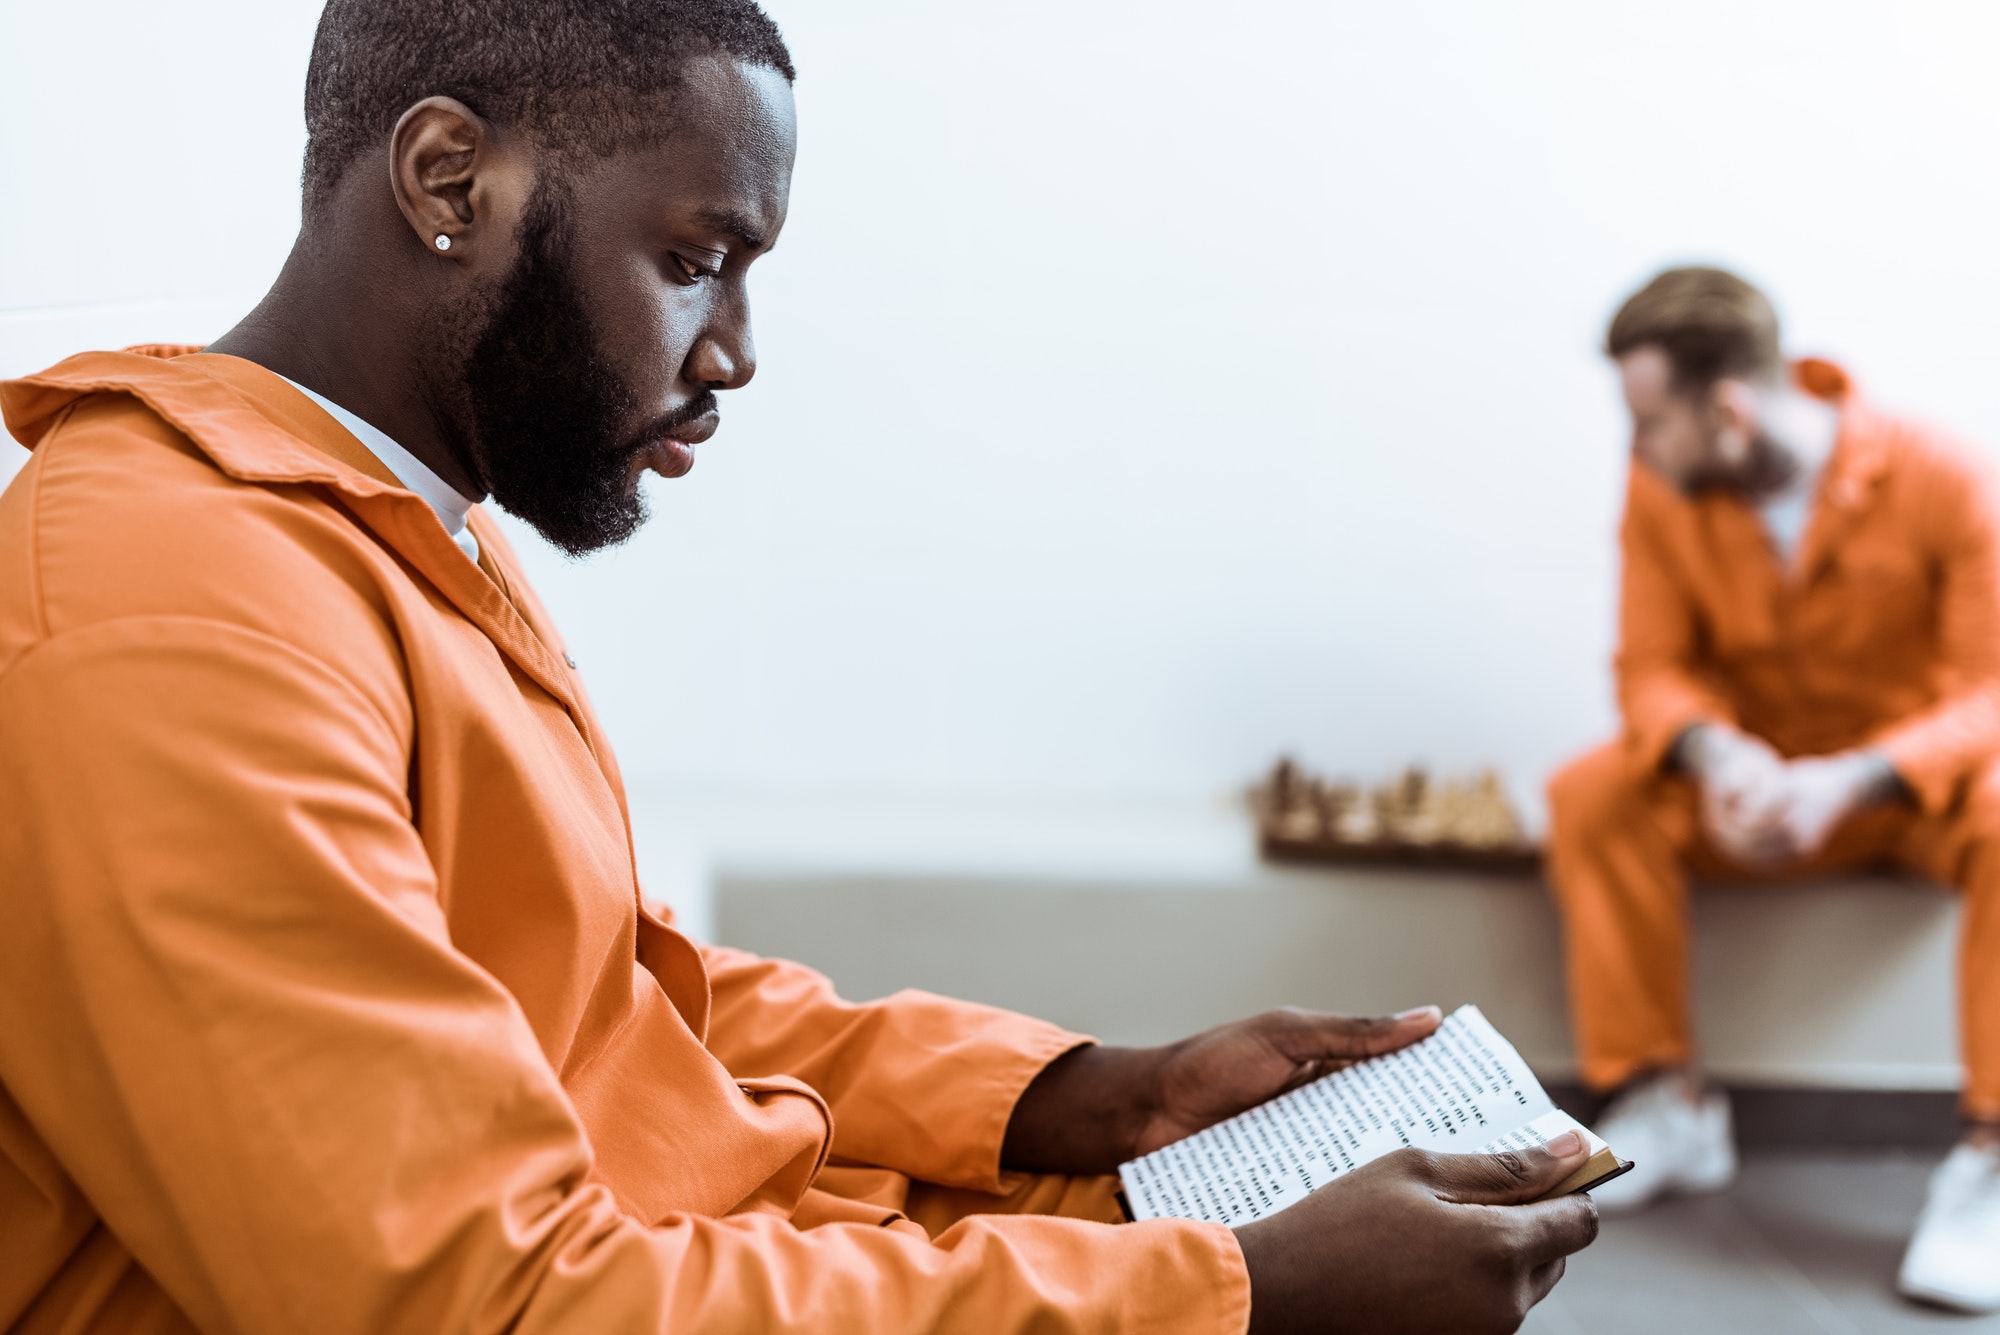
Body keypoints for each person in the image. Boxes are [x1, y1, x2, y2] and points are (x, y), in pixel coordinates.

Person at [0, 3, 1599, 1331]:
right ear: (447, 177)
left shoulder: (373, 527)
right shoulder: (174, 605)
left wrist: (1097, 1097)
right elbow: (466, 1295)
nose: (735, 350)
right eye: (697, 257)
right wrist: (1234, 1292)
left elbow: (624, 991)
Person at [1546, 265, 2000, 1311]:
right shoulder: (1660, 490)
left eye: (1647, 421)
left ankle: (1989, 1158)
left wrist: (1852, 779)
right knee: (1592, 792)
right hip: (1750, 791)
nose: (1634, 448)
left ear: (1727, 406)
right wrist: (1720, 759)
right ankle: (1664, 1104)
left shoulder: (1944, 479)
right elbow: (1647, 669)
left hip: (1906, 794)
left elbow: (1989, 689)